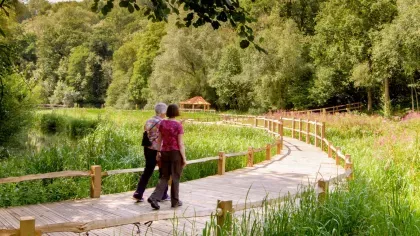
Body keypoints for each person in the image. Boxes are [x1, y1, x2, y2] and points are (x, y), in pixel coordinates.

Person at [148, 104, 187, 210]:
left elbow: (159, 140)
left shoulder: (162, 123)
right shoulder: (178, 125)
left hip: (164, 152)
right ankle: (175, 201)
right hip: (175, 153)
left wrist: (158, 152)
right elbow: (180, 143)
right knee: (175, 176)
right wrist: (184, 157)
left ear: (168, 112)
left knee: (164, 176)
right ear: (177, 112)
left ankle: (154, 197)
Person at [133, 103, 169, 202]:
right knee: (163, 172)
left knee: (147, 171)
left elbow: (146, 131)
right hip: (158, 150)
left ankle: (138, 193)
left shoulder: (149, 120)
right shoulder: (162, 122)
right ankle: (163, 194)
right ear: (163, 112)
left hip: (147, 148)